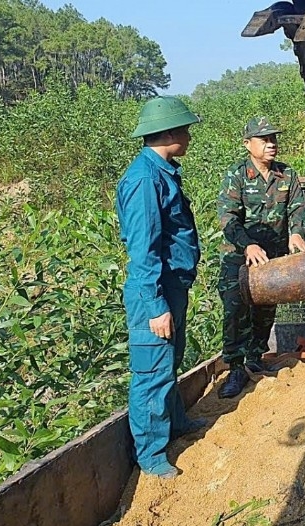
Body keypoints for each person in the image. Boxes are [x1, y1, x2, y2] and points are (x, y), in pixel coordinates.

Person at [116, 96, 207, 479]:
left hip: (171, 287)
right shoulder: (144, 181)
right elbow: (143, 250)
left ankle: (176, 423)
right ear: (168, 133)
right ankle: (151, 456)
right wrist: (156, 307)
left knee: (169, 363)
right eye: (185, 129)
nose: (189, 136)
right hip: (153, 293)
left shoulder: (162, 173)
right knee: (152, 373)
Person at [217, 116, 305, 399]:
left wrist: (296, 233)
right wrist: (247, 245)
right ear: (248, 144)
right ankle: (236, 368)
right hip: (240, 260)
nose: (271, 144)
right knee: (236, 312)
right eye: (264, 139)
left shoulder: (287, 174)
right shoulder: (236, 175)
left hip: (272, 260)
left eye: (274, 139)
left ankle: (255, 358)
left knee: (265, 310)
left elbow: (297, 208)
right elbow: (228, 218)